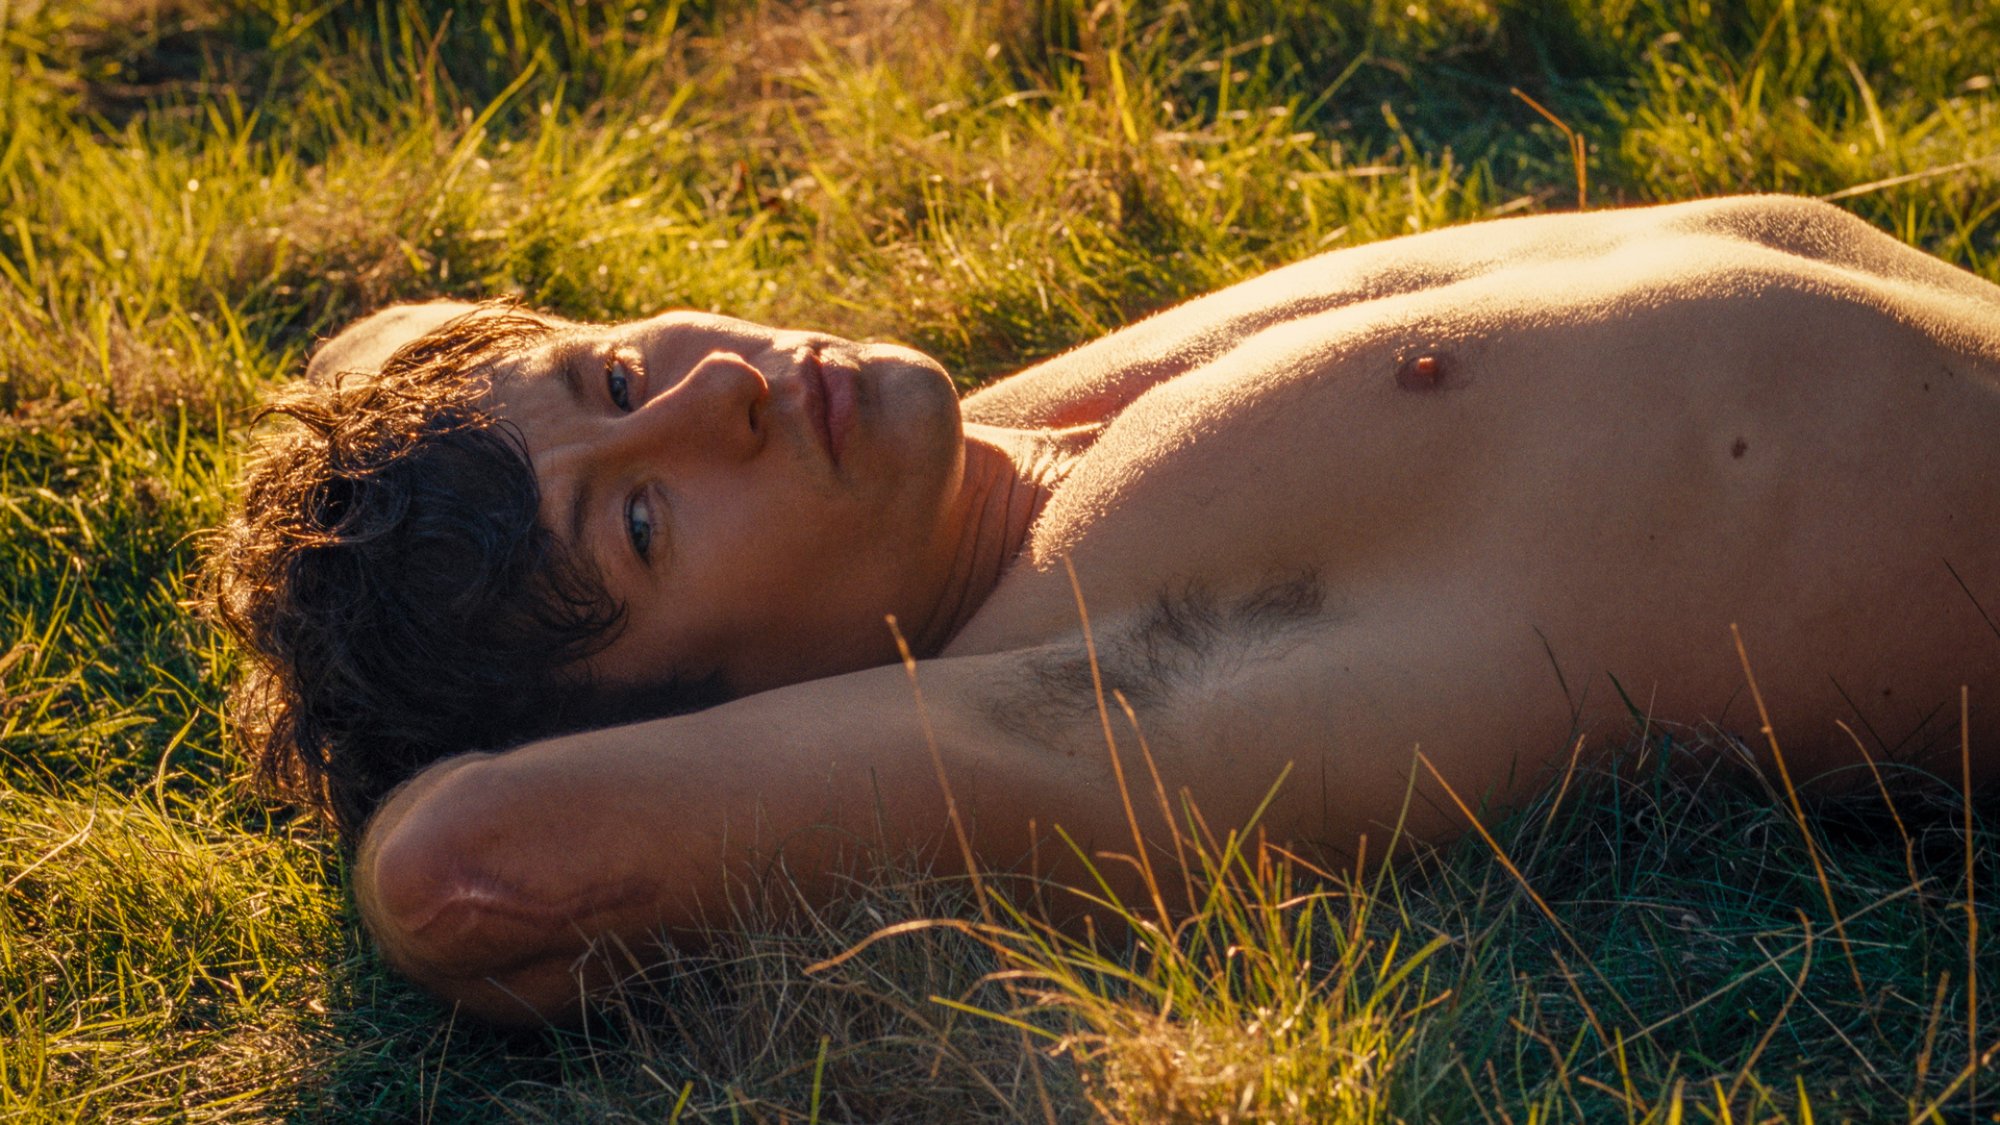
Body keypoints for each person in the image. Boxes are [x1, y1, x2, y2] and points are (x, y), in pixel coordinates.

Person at [207, 195, 2000, 1025]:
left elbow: (379, 347)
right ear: (720, 715)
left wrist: (449, 449)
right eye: (654, 523)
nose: (716, 393)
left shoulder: (986, 460)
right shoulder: (1098, 688)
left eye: (610, 377)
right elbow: (459, 868)